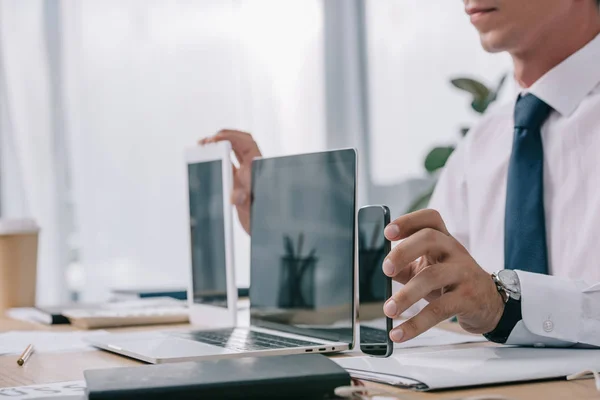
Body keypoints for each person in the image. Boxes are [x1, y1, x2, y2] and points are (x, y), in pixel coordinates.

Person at [200, 0, 600, 347]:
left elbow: (490, 301)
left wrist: (503, 302)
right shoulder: (485, 141)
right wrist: (282, 230)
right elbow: (416, 282)